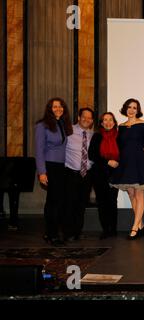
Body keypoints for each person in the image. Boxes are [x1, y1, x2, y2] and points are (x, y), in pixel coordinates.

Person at [111, 98, 144, 240]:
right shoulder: (121, 126)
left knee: (139, 194)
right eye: (129, 107)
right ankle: (141, 224)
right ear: (125, 109)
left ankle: (134, 227)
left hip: (139, 162)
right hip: (125, 163)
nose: (132, 110)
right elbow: (119, 146)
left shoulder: (142, 124)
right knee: (131, 193)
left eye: (134, 108)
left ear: (138, 110)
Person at [35, 97, 73, 246]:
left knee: (58, 201)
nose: (58, 109)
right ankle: (52, 234)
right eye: (55, 106)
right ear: (49, 109)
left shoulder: (63, 124)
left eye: (61, 106)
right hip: (49, 166)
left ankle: (50, 232)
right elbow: (39, 150)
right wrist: (42, 172)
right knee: (53, 202)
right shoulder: (42, 125)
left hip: (61, 167)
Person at [63, 107, 95, 241]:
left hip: (86, 174)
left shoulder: (93, 135)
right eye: (84, 117)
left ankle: (78, 231)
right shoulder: (68, 131)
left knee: (82, 204)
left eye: (89, 118)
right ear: (78, 117)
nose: (86, 119)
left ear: (92, 120)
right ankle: (68, 232)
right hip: (71, 173)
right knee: (70, 204)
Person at [88, 112, 120, 239]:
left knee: (112, 202)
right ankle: (106, 229)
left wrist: (118, 163)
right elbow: (92, 155)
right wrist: (108, 161)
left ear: (114, 122)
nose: (108, 122)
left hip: (114, 174)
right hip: (99, 173)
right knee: (102, 202)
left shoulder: (119, 136)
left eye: (110, 120)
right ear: (101, 123)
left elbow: (123, 153)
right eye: (105, 120)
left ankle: (113, 229)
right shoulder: (97, 136)